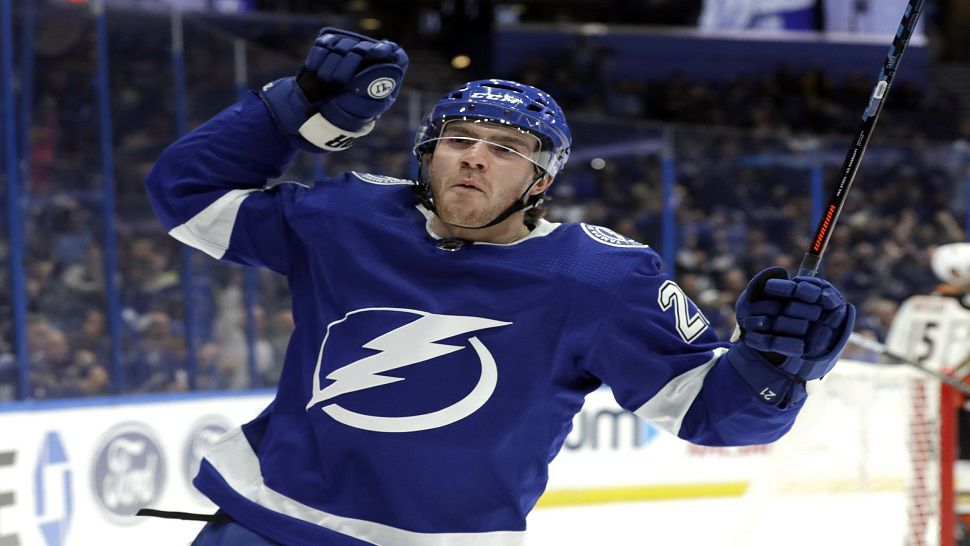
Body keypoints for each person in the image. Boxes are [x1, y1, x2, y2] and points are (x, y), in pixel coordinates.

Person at [144, 27, 855, 546]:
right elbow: (187, 197)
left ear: (540, 181)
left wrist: (777, 366)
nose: (476, 160)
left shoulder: (600, 278)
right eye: (459, 140)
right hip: (264, 523)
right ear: (428, 156)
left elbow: (715, 415)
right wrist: (291, 109)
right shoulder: (349, 216)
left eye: (506, 149)